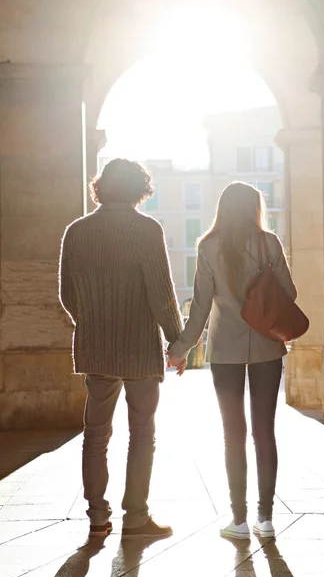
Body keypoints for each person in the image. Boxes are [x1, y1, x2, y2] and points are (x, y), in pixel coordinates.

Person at [59, 159, 184, 540]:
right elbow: (161, 294)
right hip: (140, 348)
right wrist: (177, 340)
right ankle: (136, 516)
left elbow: (67, 294)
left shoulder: (77, 231)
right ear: (138, 188)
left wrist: (93, 323)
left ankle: (97, 516)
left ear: (101, 187)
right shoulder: (146, 229)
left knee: (95, 433)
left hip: (96, 349)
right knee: (142, 432)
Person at [168, 182, 297, 540]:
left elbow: (201, 307)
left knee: (233, 434)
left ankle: (238, 520)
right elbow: (290, 293)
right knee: (264, 432)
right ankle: (266, 518)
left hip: (224, 350)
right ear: (255, 207)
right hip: (268, 347)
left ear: (222, 208)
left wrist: (180, 348)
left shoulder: (208, 246)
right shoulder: (268, 244)